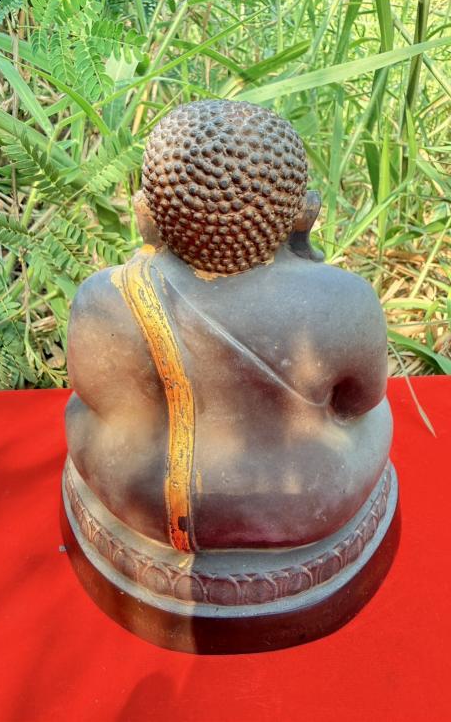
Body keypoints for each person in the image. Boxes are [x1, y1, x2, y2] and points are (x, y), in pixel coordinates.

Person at [65, 100, 392, 555]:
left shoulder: (103, 298)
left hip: (142, 496)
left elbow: (92, 395)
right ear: (305, 214)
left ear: (146, 213)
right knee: (377, 418)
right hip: (305, 499)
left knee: (84, 416)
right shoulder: (346, 300)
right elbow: (361, 401)